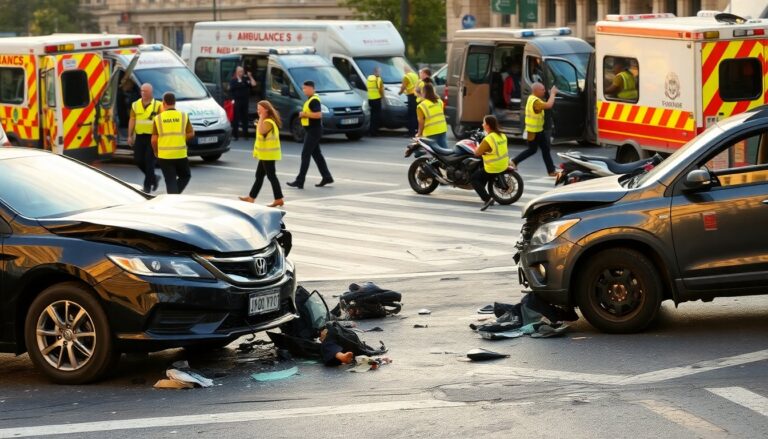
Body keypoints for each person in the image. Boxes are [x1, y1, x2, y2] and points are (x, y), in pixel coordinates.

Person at [287, 81, 333, 189]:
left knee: (305, 154)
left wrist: (304, 114)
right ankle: (327, 177)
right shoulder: (310, 99)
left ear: (311, 88)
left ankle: (300, 181)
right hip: (312, 130)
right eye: (303, 88)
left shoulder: (314, 100)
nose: (304, 90)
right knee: (317, 155)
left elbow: (318, 115)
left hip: (314, 130)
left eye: (305, 88)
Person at [239, 100, 284, 207]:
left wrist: (261, 118)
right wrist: (261, 118)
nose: (258, 111)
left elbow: (261, 131)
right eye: (257, 109)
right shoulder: (266, 120)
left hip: (268, 155)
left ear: (266, 110)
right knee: (259, 175)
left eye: (260, 109)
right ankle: (251, 198)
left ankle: (278, 199)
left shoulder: (268, 122)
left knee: (271, 176)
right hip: (265, 155)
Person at [512, 82, 558, 176]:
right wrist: (553, 94)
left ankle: (551, 170)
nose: (544, 91)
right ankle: (514, 161)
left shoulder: (533, 98)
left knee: (545, 149)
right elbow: (549, 105)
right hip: (532, 132)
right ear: (536, 91)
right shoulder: (535, 102)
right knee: (532, 150)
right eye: (542, 90)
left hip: (538, 130)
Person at [151, 92, 194, 194]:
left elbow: (154, 140)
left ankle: (172, 197)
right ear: (175, 102)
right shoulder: (183, 116)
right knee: (185, 176)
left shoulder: (158, 118)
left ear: (163, 103)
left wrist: (155, 152)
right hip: (180, 154)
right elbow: (191, 133)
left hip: (164, 156)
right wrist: (181, 139)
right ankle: (174, 196)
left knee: (170, 180)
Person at [128, 83, 162, 193]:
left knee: (149, 161)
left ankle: (147, 187)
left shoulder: (158, 105)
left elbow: (162, 121)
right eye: (142, 91)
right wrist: (130, 135)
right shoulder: (135, 105)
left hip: (153, 137)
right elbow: (132, 120)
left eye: (146, 91)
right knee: (138, 160)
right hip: (140, 136)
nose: (143, 93)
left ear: (151, 92)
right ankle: (154, 178)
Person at [472, 115, 509, 211]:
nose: (482, 125)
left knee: (474, 179)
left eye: (484, 123)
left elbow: (477, 153)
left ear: (488, 125)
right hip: (504, 164)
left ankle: (487, 199)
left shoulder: (489, 139)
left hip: (493, 166)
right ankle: (484, 192)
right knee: (482, 176)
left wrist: (477, 148)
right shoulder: (502, 135)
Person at [416, 83, 448, 148]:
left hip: (431, 131)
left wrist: (419, 133)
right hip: (442, 128)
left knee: (429, 149)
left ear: (424, 92)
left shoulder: (421, 106)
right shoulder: (440, 102)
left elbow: (421, 122)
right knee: (443, 149)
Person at [230, 66, 256, 140]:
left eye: (242, 71)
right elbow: (231, 90)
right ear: (237, 72)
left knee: (245, 118)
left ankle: (246, 135)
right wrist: (232, 100)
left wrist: (250, 76)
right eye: (241, 71)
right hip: (237, 101)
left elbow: (254, 84)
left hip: (245, 101)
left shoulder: (245, 79)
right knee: (236, 118)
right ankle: (235, 135)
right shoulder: (233, 80)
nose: (242, 72)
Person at [399, 66, 419, 137]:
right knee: (416, 114)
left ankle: (411, 132)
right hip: (417, 95)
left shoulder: (406, 76)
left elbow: (403, 87)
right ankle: (417, 130)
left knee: (411, 115)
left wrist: (400, 93)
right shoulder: (415, 75)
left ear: (405, 70)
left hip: (411, 96)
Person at [366, 66, 384, 137]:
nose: (380, 73)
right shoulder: (378, 79)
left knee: (372, 116)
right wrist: (382, 97)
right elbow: (381, 90)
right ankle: (374, 132)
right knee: (376, 116)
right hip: (377, 99)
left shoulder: (368, 78)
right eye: (379, 71)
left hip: (370, 99)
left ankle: (370, 131)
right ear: (377, 72)